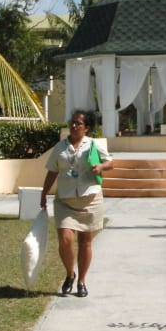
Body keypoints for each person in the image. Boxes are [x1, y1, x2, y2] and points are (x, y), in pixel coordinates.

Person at [40, 109, 114, 297]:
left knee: (85, 241)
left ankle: (81, 281)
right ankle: (70, 273)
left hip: (90, 199)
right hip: (65, 200)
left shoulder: (93, 145)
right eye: (72, 122)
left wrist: (100, 166)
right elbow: (52, 171)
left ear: (86, 128)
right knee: (65, 240)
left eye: (78, 123)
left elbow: (110, 163)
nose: (73, 126)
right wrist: (44, 194)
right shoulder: (60, 147)